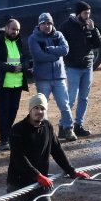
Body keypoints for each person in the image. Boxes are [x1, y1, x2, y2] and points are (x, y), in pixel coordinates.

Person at [6, 93, 91, 201]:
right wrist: (37, 175)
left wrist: (72, 171)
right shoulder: (17, 130)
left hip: (40, 185)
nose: (39, 112)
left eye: (42, 108)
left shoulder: (48, 127)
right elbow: (19, 158)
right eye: (36, 108)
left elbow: (57, 150)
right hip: (19, 184)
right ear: (30, 110)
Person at [28, 13, 77, 142]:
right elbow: (38, 56)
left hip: (59, 77)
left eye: (49, 23)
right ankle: (46, 133)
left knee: (64, 104)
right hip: (43, 78)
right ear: (39, 25)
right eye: (43, 23)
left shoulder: (58, 35)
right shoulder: (33, 38)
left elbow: (65, 49)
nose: (46, 26)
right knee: (42, 106)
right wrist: (56, 55)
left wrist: (49, 49)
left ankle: (68, 129)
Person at [0, 19, 31, 151]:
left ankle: (8, 134)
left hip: (17, 83)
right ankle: (4, 139)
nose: (15, 32)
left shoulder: (20, 41)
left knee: (14, 109)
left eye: (17, 30)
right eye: (13, 29)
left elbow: (27, 57)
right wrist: (10, 68)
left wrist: (24, 66)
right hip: (2, 83)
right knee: (4, 110)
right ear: (6, 28)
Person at [59, 1, 101, 137]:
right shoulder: (66, 26)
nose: (87, 16)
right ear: (78, 13)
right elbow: (61, 45)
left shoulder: (90, 26)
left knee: (84, 98)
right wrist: (69, 60)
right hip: (73, 67)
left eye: (89, 13)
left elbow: (98, 44)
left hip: (87, 66)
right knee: (71, 98)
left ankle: (78, 125)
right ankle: (64, 126)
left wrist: (93, 30)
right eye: (85, 13)